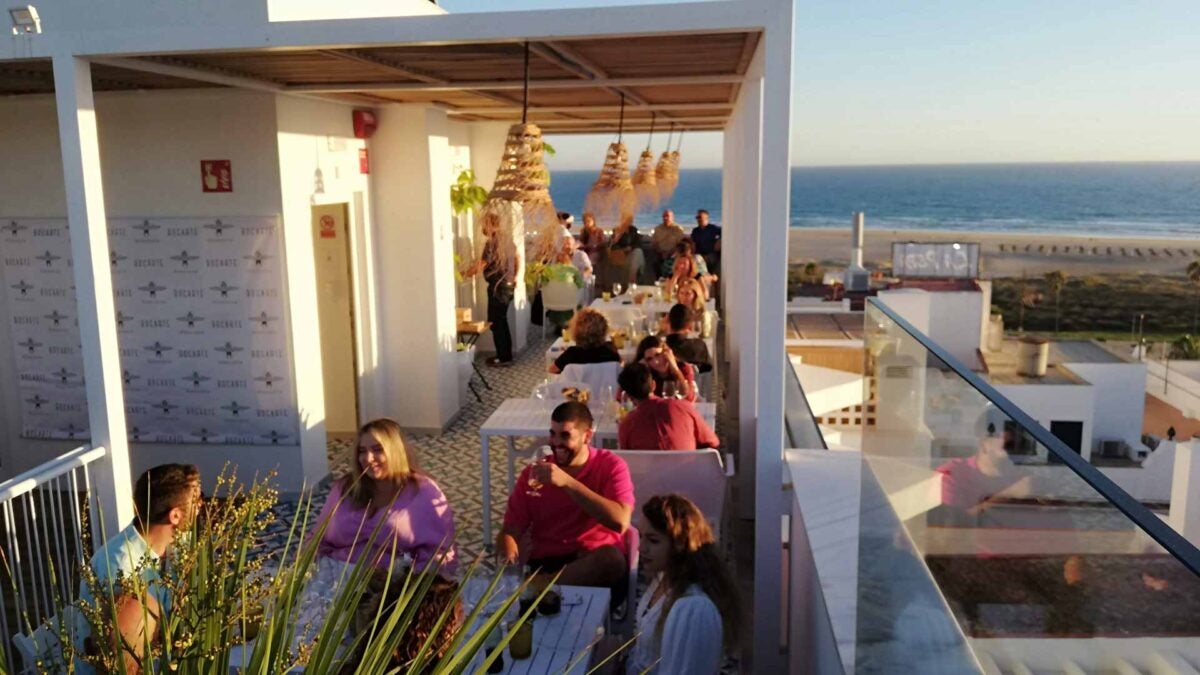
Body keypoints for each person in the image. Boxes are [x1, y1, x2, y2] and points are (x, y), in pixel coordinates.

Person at [77, 464, 202, 674]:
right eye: (197, 500)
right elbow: (124, 666)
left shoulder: (170, 545)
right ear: (175, 516)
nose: (201, 506)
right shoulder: (123, 573)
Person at [497, 402, 634, 588]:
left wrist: (567, 482)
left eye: (565, 435)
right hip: (548, 562)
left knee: (611, 560)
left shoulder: (611, 466)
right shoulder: (534, 473)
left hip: (595, 562)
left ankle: (539, 587)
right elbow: (511, 530)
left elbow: (621, 522)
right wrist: (509, 565)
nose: (556, 443)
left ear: (587, 436)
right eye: (553, 434)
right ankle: (540, 588)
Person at [313, 418, 457, 576]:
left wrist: (407, 579)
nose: (368, 458)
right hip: (336, 579)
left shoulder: (423, 493)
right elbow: (316, 537)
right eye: (362, 451)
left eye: (377, 449)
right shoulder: (344, 488)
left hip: (396, 586)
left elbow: (442, 553)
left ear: (395, 452)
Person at [627, 494, 742, 675]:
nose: (642, 548)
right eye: (641, 537)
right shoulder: (663, 579)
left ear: (679, 544)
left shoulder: (693, 608)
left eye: (653, 540)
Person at [617, 363, 718, 451]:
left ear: (628, 396)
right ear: (653, 385)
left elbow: (627, 456)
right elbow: (713, 442)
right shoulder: (683, 408)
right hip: (688, 471)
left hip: (648, 473)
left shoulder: (627, 424)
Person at [463, 213, 516, 367]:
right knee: (502, 321)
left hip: (498, 287)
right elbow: (517, 257)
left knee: (496, 322)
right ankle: (506, 356)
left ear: (491, 225)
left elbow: (482, 264)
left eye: (484, 225)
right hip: (507, 285)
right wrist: (516, 277)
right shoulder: (507, 240)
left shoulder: (493, 242)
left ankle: (503, 357)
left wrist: (464, 274)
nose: (482, 229)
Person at [549, 308, 621, 374]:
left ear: (576, 331)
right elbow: (619, 369)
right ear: (604, 330)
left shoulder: (572, 353)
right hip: (605, 387)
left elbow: (552, 370)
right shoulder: (610, 352)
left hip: (578, 387)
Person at [636, 335, 697, 402]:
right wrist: (640, 370)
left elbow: (688, 398)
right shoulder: (648, 373)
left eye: (658, 355)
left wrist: (675, 369)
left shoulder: (684, 368)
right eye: (649, 359)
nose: (656, 362)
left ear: (666, 352)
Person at [663, 303, 712, 374]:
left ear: (668, 322)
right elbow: (707, 376)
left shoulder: (661, 351)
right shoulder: (700, 346)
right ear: (690, 326)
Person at [606, 214, 644, 290]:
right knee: (635, 258)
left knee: (637, 253)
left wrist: (630, 248)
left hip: (633, 255)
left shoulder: (633, 230)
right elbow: (611, 247)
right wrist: (618, 243)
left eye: (629, 220)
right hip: (621, 256)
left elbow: (638, 243)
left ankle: (631, 283)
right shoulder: (617, 230)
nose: (627, 222)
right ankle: (631, 285)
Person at [650, 210, 686, 278]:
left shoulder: (678, 229)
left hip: (674, 254)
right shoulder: (658, 229)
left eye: (667, 216)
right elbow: (654, 243)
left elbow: (680, 245)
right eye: (664, 216)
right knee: (655, 262)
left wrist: (670, 253)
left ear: (672, 217)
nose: (665, 218)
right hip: (660, 253)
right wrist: (661, 252)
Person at [689, 209, 722, 277]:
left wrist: (719, 241)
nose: (698, 219)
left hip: (711, 254)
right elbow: (692, 242)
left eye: (700, 217)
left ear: (706, 218)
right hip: (700, 256)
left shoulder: (713, 228)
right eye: (697, 218)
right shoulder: (696, 231)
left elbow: (724, 232)